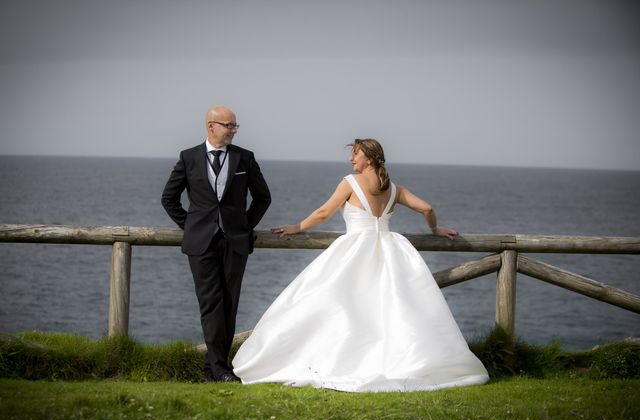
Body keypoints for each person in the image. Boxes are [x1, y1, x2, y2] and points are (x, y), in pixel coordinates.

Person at [232, 138, 488, 392]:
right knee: (390, 310)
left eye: (355, 154)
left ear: (370, 158)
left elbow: (324, 213)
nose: (351, 159)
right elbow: (427, 208)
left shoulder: (350, 182)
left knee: (333, 303)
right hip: (390, 250)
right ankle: (395, 361)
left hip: (354, 250)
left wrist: (297, 227)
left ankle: (335, 360)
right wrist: (435, 229)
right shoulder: (394, 188)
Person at [161, 106, 271, 382]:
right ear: (211, 126)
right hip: (201, 243)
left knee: (229, 303)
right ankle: (221, 368)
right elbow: (169, 199)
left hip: (235, 242)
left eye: (235, 126)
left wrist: (244, 226)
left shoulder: (245, 158)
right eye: (229, 125)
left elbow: (263, 198)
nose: (234, 130)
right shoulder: (189, 158)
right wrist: (190, 227)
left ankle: (214, 368)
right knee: (210, 303)